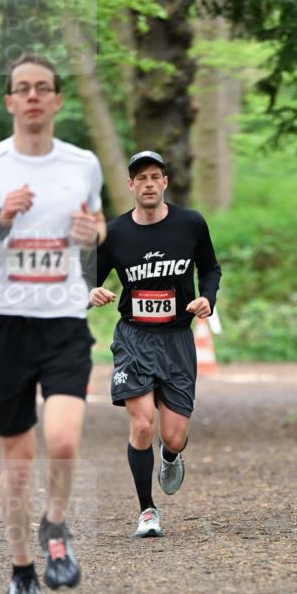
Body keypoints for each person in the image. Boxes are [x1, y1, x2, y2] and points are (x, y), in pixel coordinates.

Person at [0, 53, 105, 594]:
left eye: (44, 87)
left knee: (64, 440)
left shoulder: (83, 163)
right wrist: (2, 220)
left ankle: (56, 527)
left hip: (64, 322)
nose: (34, 96)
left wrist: (95, 232)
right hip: (4, 327)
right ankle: (21, 570)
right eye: (24, 88)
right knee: (17, 460)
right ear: (11, 102)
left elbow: (98, 230)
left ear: (58, 100)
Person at [88, 151, 221, 537]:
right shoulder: (114, 233)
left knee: (173, 434)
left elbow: (210, 268)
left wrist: (208, 298)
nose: (148, 184)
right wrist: (91, 292)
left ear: (165, 183)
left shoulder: (191, 224)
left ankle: (172, 455)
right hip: (134, 338)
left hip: (177, 339)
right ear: (131, 186)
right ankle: (147, 510)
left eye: (155, 177)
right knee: (143, 425)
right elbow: (86, 279)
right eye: (140, 178)